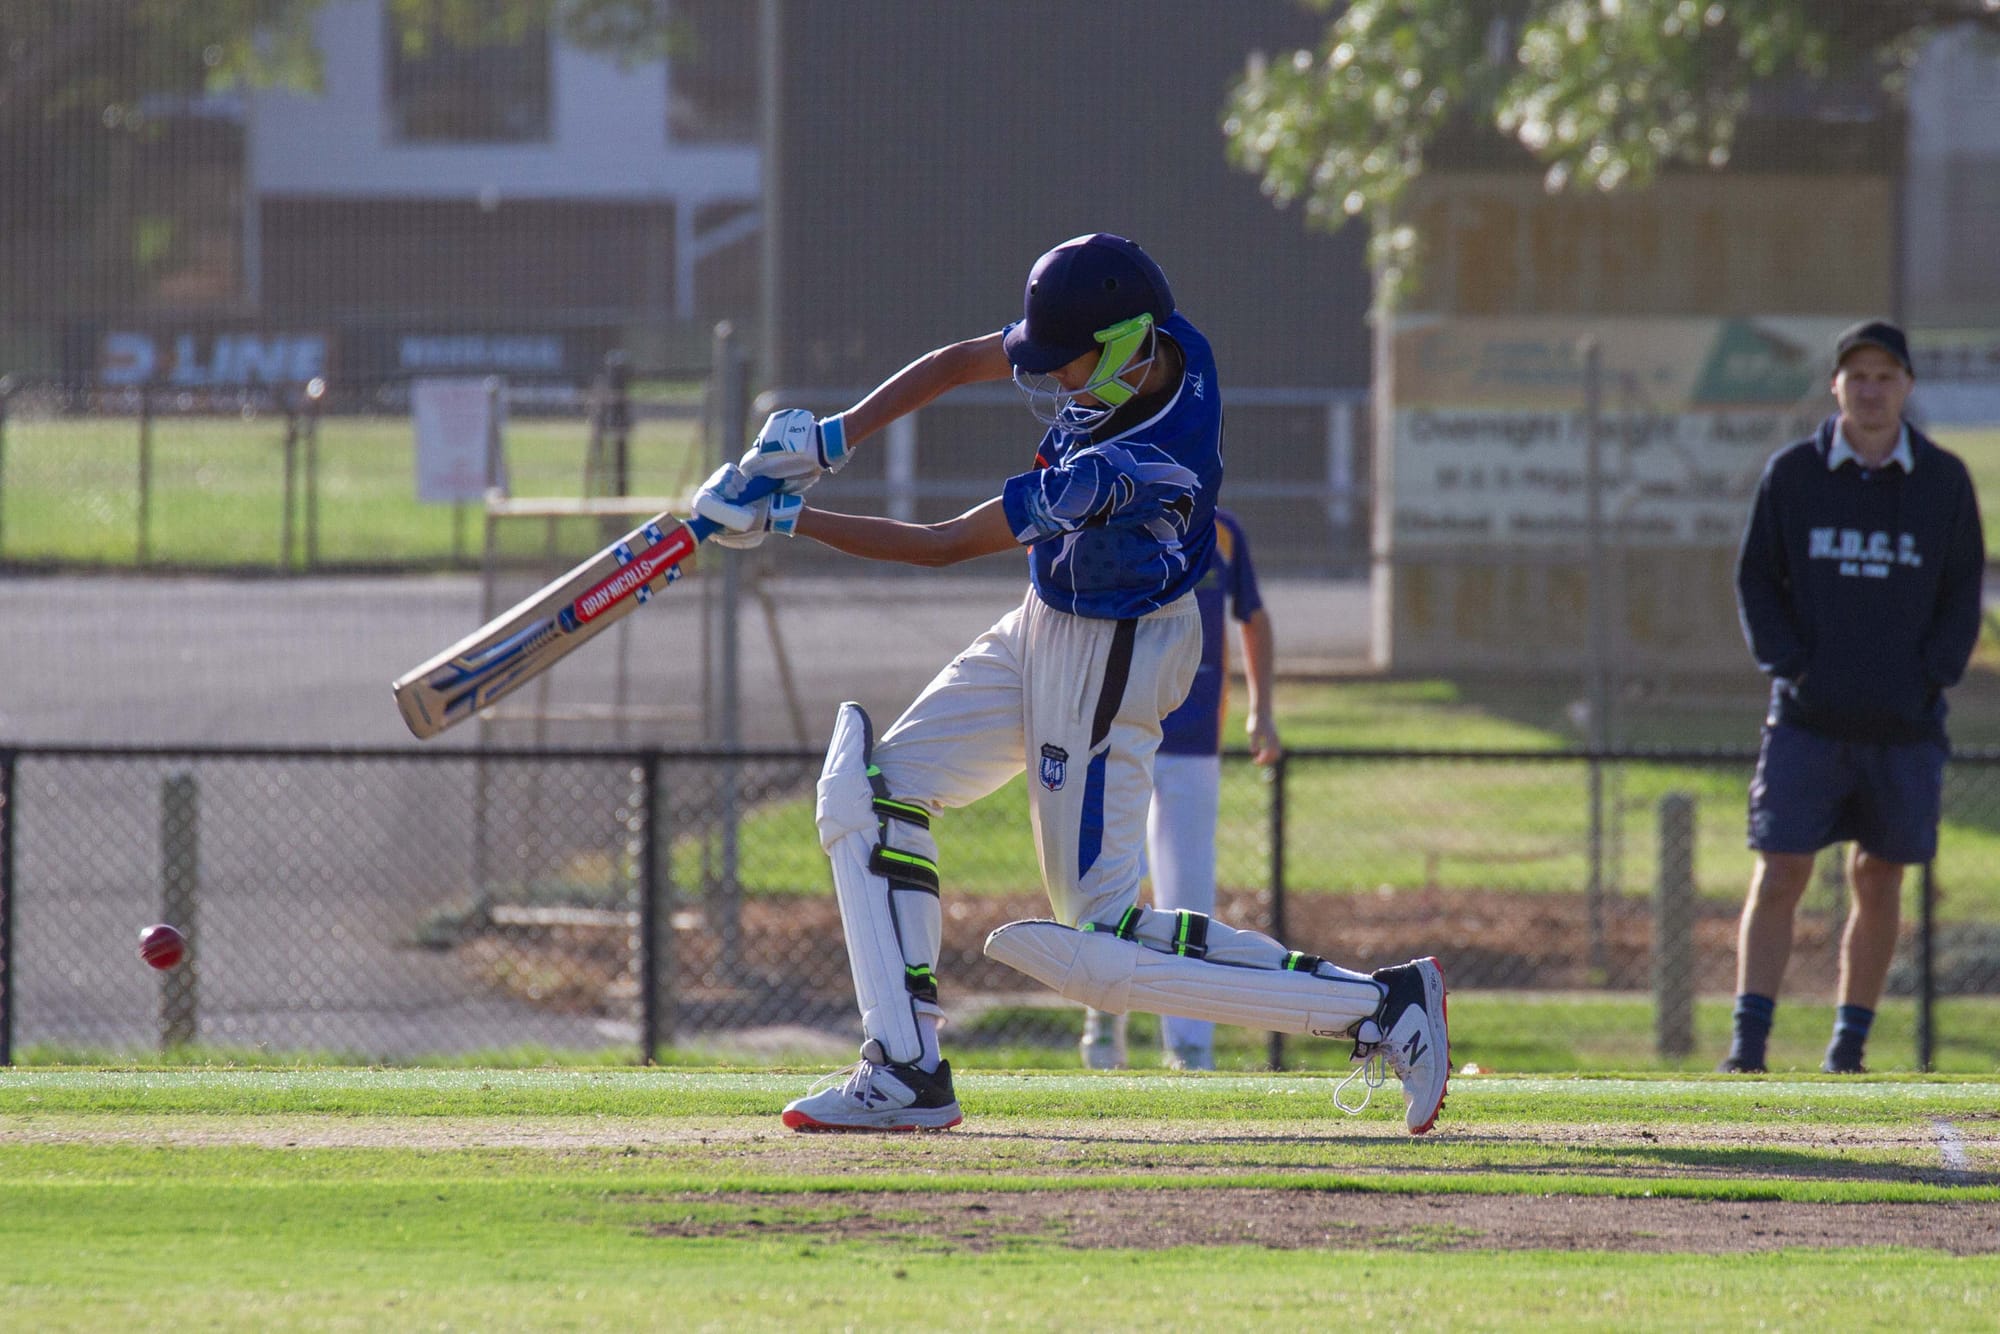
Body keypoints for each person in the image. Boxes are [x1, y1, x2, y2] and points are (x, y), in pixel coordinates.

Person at [691, 232, 1449, 1133]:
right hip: (1047, 620)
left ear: (1128, 342)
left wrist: (784, 515)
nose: (1053, 383)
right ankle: (906, 1068)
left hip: (1115, 654)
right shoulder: (1168, 342)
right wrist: (826, 438)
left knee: (1104, 946)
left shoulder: (1125, 467)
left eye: (1068, 366)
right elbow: (956, 361)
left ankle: (1380, 1005)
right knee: (873, 795)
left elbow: (941, 547)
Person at [1722, 319, 1985, 1075]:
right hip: (1808, 720)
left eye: (1885, 376)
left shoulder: (1941, 482)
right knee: (1780, 873)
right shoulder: (1794, 475)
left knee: (1878, 877)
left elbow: (1961, 592)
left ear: (1906, 387)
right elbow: (1754, 581)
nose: (1870, 390)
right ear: (1836, 385)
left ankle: (1849, 1049)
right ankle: (1748, 1048)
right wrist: (1792, 665)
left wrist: (1929, 676)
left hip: (1903, 726)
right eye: (1856, 375)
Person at [1079, 507, 1280, 1072]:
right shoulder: (1114, 517)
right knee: (1107, 887)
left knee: (1189, 896)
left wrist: (1262, 711)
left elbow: (1254, 619)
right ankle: (1102, 1027)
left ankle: (1191, 1048)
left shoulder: (1223, 532)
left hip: (1194, 741)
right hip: (1121, 731)